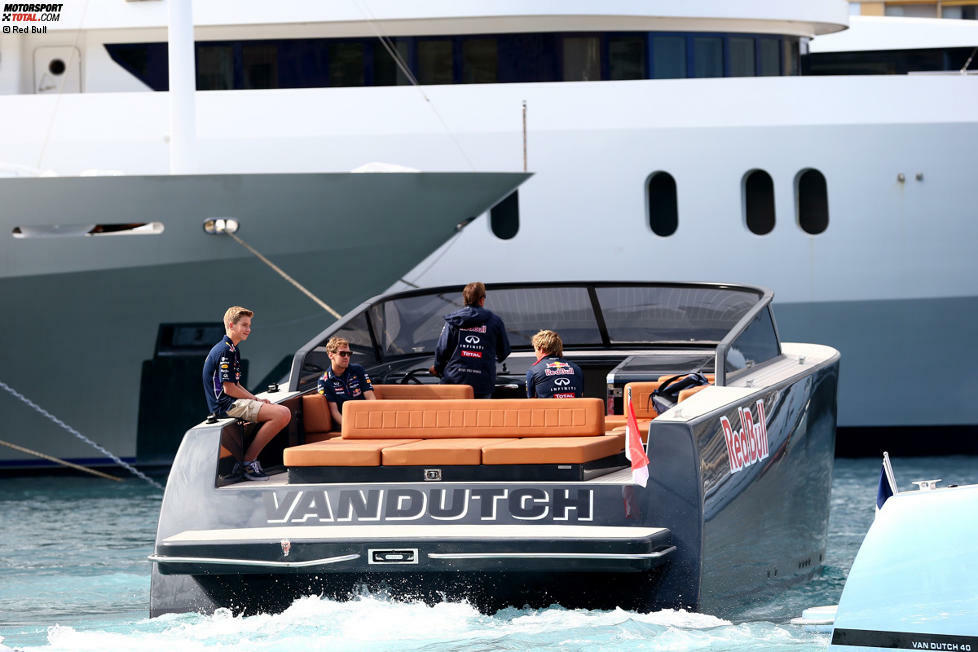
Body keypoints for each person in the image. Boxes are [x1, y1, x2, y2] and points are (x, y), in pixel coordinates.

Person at [202, 306, 291, 481]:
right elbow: (229, 389)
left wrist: (257, 399)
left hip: (230, 401)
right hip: (225, 405)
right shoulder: (225, 351)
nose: (248, 329)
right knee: (282, 414)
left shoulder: (232, 348)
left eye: (249, 325)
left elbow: (235, 384)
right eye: (244, 325)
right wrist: (254, 399)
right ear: (231, 325)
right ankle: (248, 462)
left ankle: (244, 462)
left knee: (277, 411)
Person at [429, 282, 511, 399]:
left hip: (454, 382)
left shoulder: (454, 320)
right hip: (482, 383)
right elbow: (504, 352)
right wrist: (486, 362)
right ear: (482, 299)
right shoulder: (495, 322)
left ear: (465, 299)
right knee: (479, 416)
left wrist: (437, 368)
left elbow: (442, 350)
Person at [318, 336, 376, 427]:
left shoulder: (358, 370)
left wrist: (373, 419)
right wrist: (350, 426)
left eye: (349, 354)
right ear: (331, 355)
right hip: (345, 422)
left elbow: (370, 398)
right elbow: (334, 411)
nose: (346, 357)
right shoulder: (324, 381)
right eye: (342, 354)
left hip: (366, 417)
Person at [525, 330, 584, 399]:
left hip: (547, 409)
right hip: (574, 409)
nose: (535, 353)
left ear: (541, 349)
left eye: (535, 350)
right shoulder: (576, 368)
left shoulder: (533, 371)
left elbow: (531, 401)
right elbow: (581, 395)